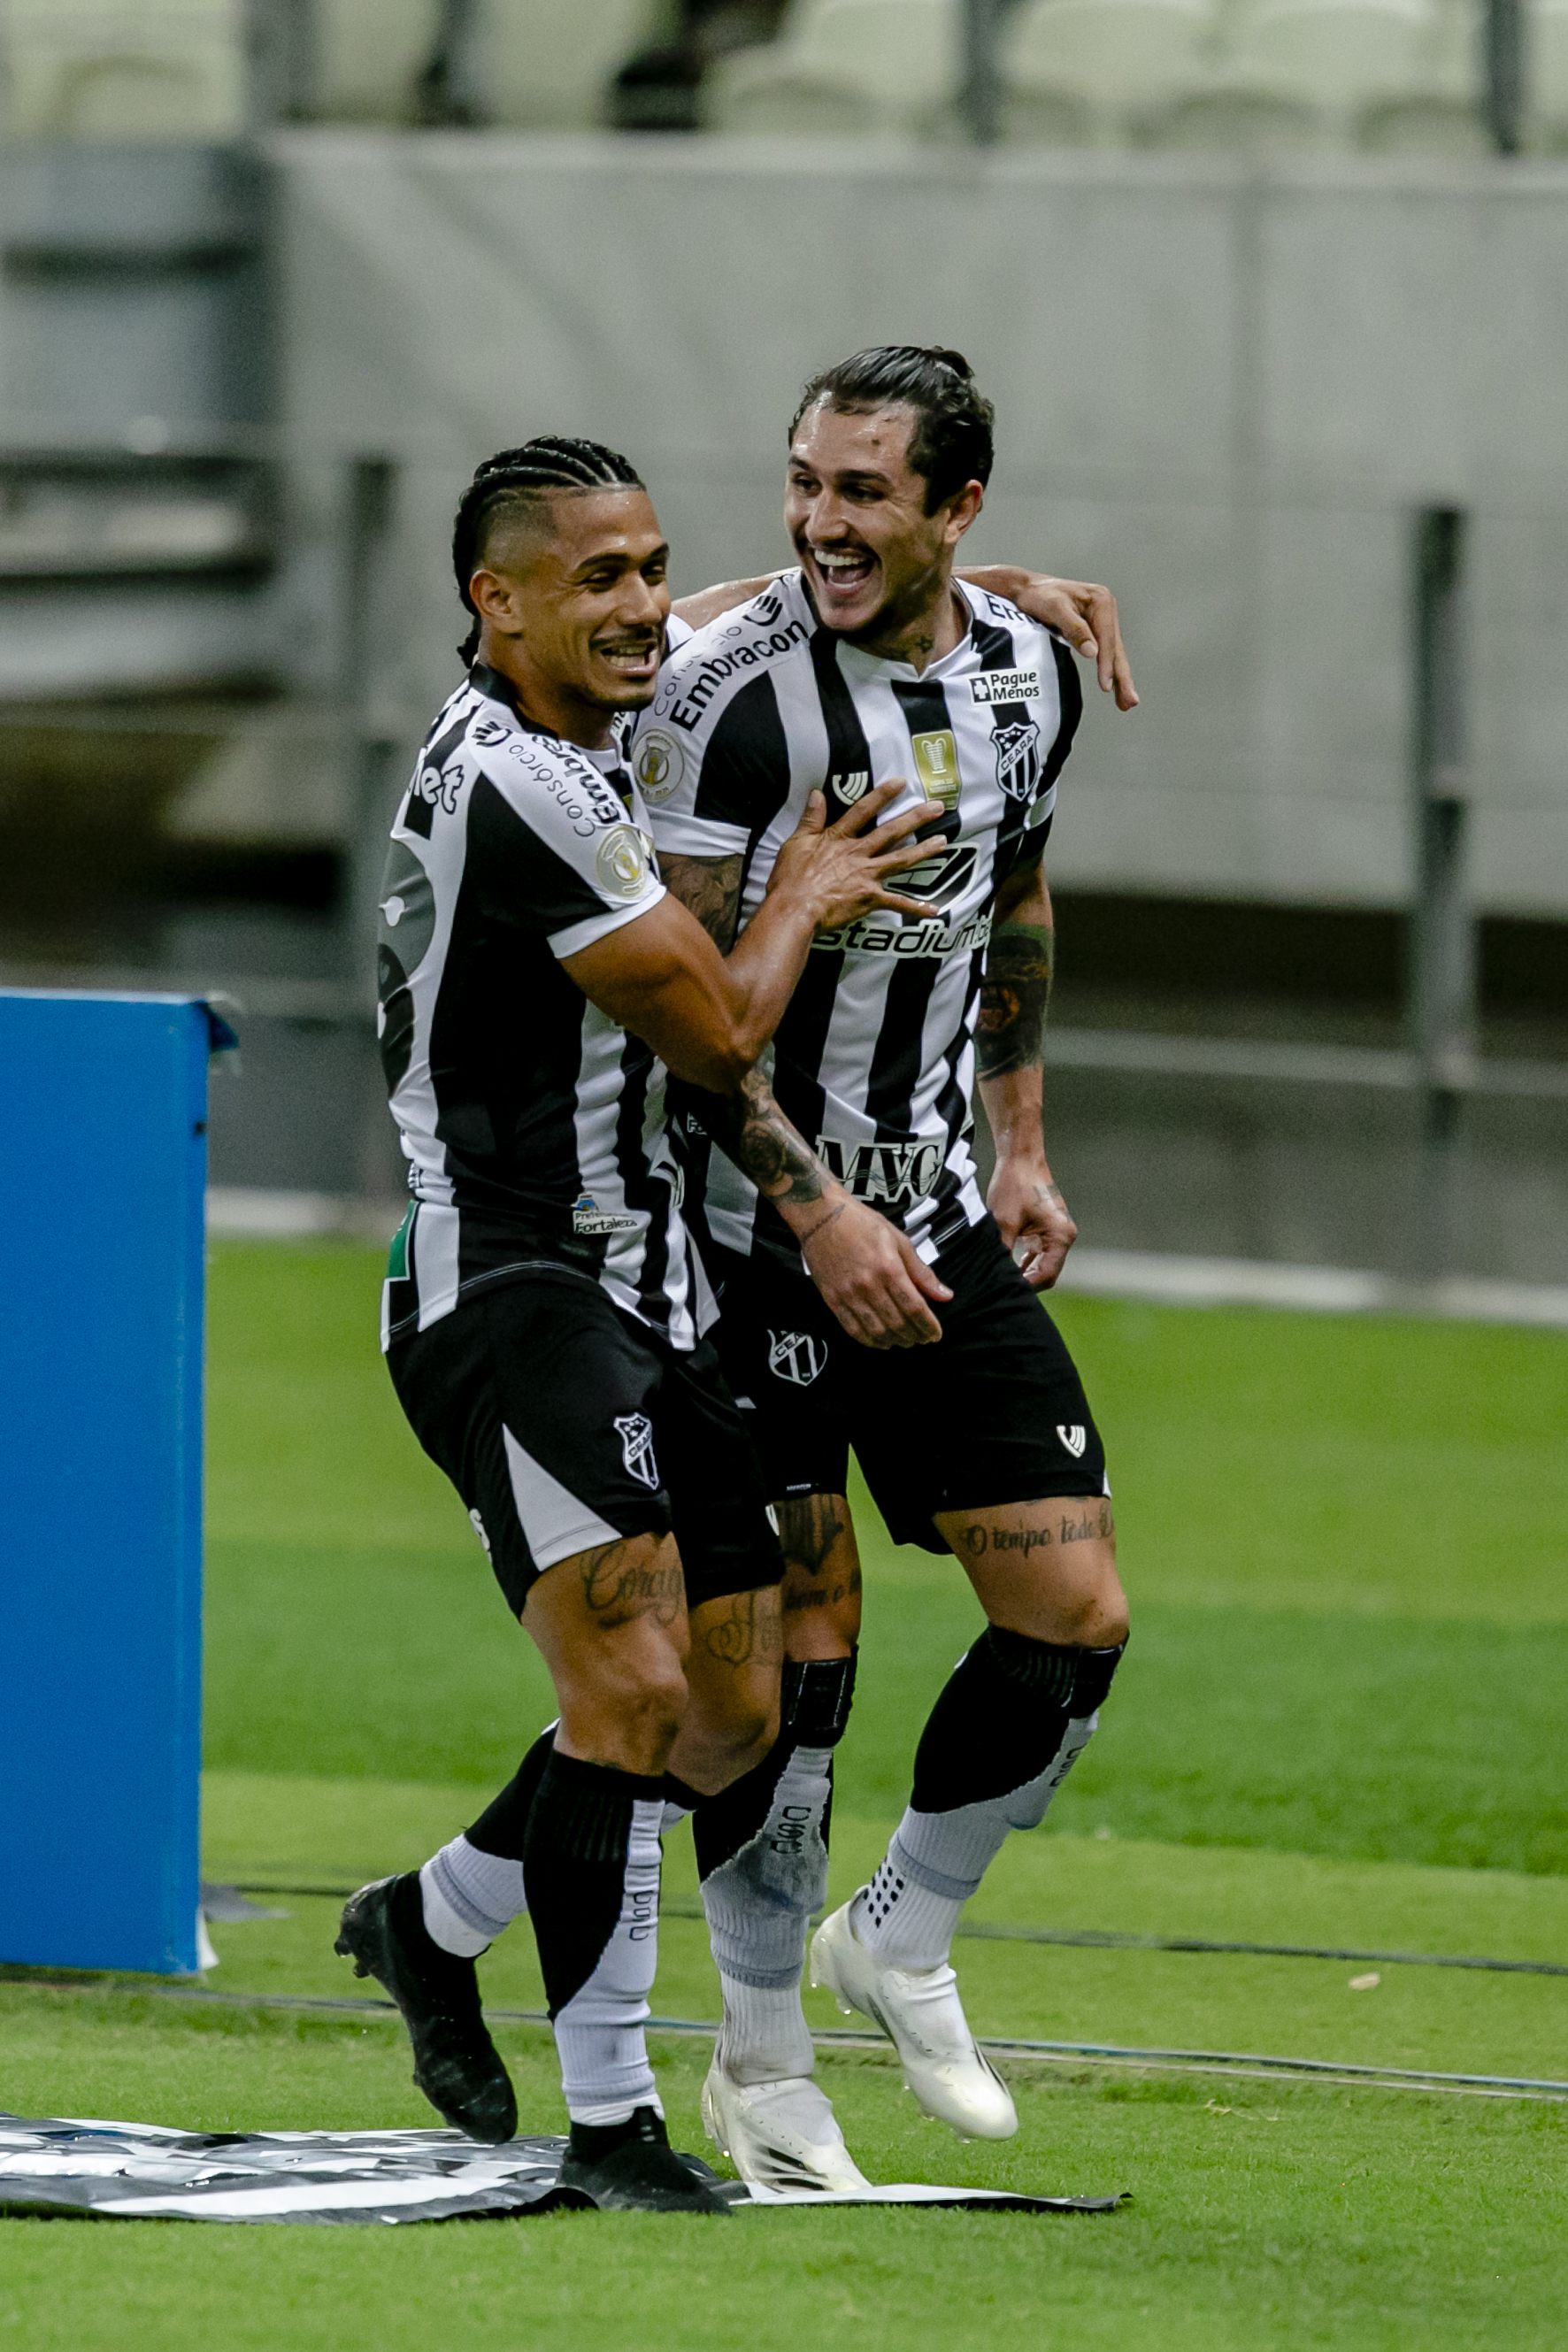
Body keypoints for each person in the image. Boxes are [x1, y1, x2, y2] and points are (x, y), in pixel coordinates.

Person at [334, 435, 943, 2215]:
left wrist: (1001, 592)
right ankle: (609, 2126)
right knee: (633, 1690)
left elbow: (754, 604)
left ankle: (431, 1919)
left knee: (728, 1717)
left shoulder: (578, 696)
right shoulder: (524, 781)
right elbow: (723, 1033)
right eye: (597, 578)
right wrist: (807, 891)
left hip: (655, 1285)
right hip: (513, 1281)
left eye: (651, 568)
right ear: (495, 600)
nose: (642, 608)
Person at [629, 348, 1131, 2188]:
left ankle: (900, 1931)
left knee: (1073, 1610)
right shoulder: (725, 695)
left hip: (931, 1218)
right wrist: (814, 1211)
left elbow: (1014, 896)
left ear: (958, 508)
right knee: (796, 1651)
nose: (819, 522)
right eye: (804, 483)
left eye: (862, 492)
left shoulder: (1030, 670)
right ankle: (762, 2066)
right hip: (743, 1240)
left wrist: (1019, 1143)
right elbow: (685, 1007)